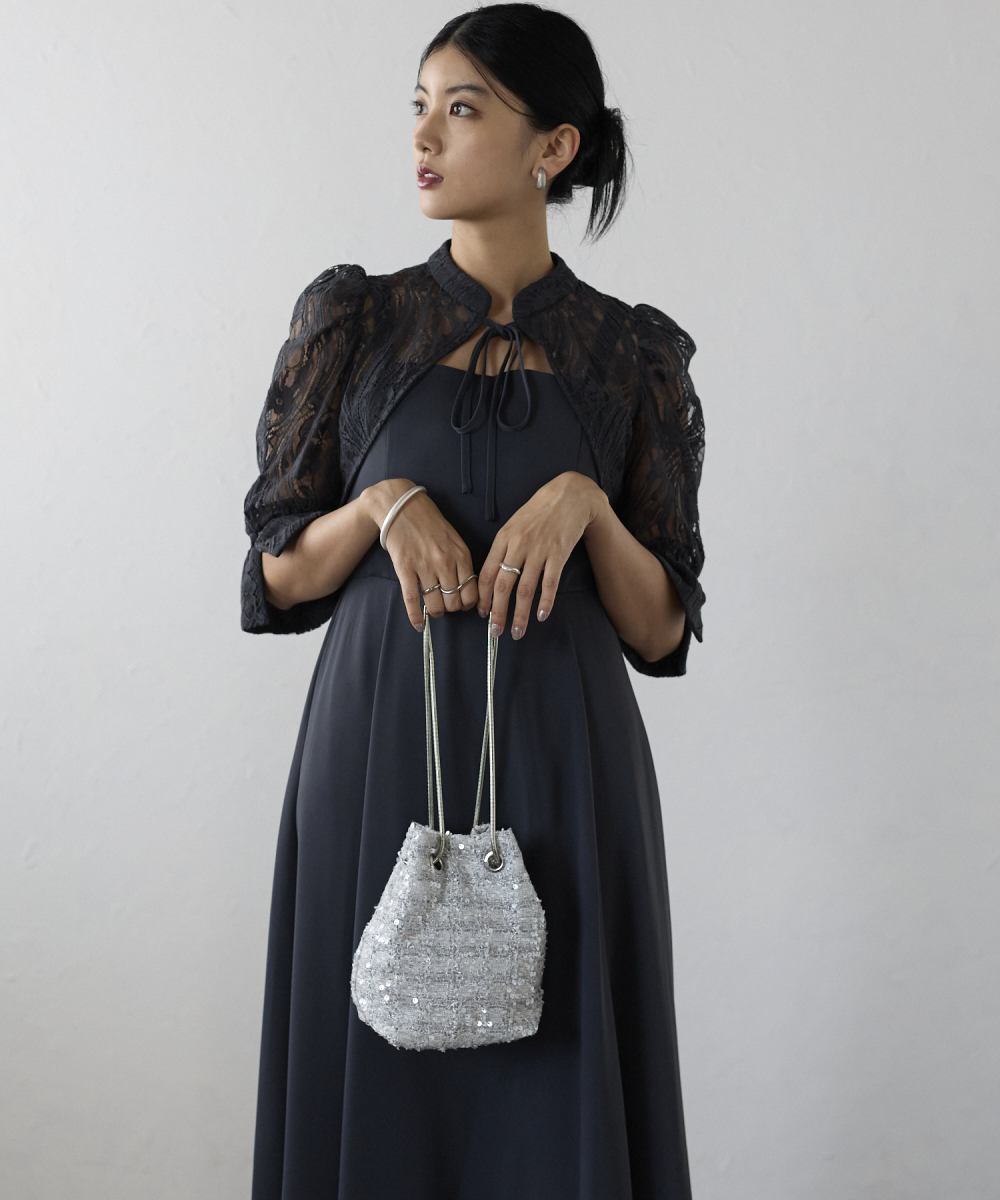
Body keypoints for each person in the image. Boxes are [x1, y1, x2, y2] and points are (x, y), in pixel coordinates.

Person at [241, 5, 706, 1197]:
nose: (424, 136)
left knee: (557, 1087)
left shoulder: (629, 354)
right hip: (376, 752)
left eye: (462, 109)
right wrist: (379, 502)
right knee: (374, 1073)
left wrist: (587, 507)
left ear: (553, 146)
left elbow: (660, 626)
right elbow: (278, 573)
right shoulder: (356, 321)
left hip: (564, 759)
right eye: (419, 106)